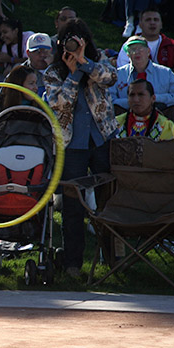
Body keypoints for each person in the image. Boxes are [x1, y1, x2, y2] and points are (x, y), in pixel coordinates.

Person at [43, 18, 118, 280]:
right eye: (68, 40)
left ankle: (113, 258)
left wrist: (85, 62)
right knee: (73, 206)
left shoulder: (99, 62)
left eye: (78, 40)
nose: (73, 46)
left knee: (108, 201)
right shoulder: (53, 72)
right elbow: (59, 104)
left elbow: (111, 78)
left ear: (86, 41)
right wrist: (73, 74)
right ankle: (73, 264)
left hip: (102, 140)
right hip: (71, 146)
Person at [110, 35, 174, 125]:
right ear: (127, 54)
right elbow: (109, 102)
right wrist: (134, 102)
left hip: (162, 125)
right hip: (127, 125)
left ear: (148, 51)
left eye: (140, 48)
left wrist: (156, 99)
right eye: (132, 49)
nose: (136, 52)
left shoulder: (166, 72)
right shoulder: (117, 75)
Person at [114, 9, 174, 82]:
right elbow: (123, 73)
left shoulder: (171, 45)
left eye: (156, 20)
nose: (152, 23)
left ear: (161, 24)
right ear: (140, 25)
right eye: (148, 20)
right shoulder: (129, 45)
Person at [0, 64, 39, 143]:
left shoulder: (39, 107)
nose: (36, 87)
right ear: (18, 85)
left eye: (36, 83)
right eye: (31, 83)